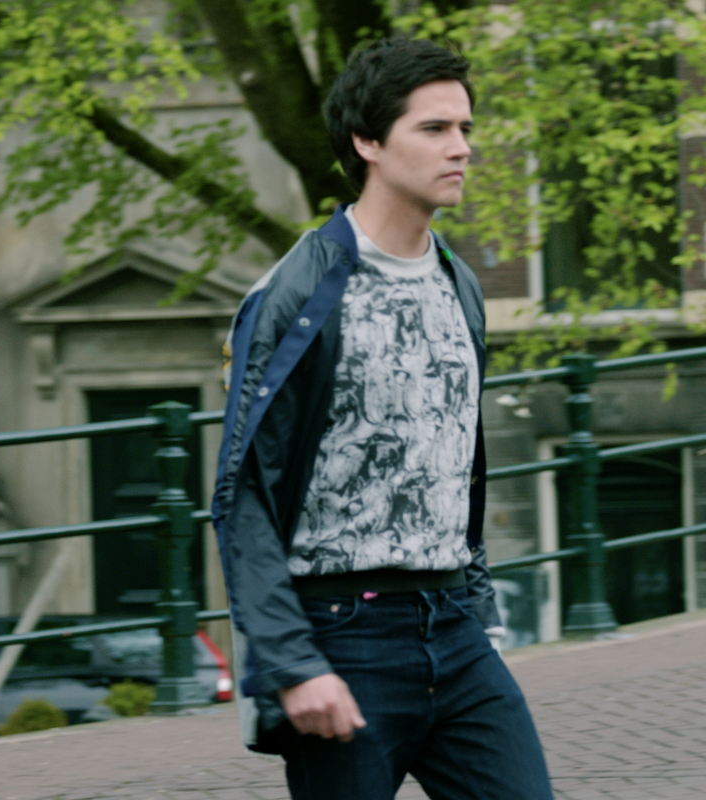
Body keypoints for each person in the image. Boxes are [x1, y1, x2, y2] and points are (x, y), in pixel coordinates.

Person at [210, 37, 554, 800]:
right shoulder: (295, 295)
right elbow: (244, 493)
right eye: (434, 129)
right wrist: (292, 661)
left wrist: (481, 611)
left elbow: (453, 460)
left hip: (454, 628)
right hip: (342, 636)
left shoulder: (460, 283)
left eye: (464, 128)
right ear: (368, 142)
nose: (461, 148)